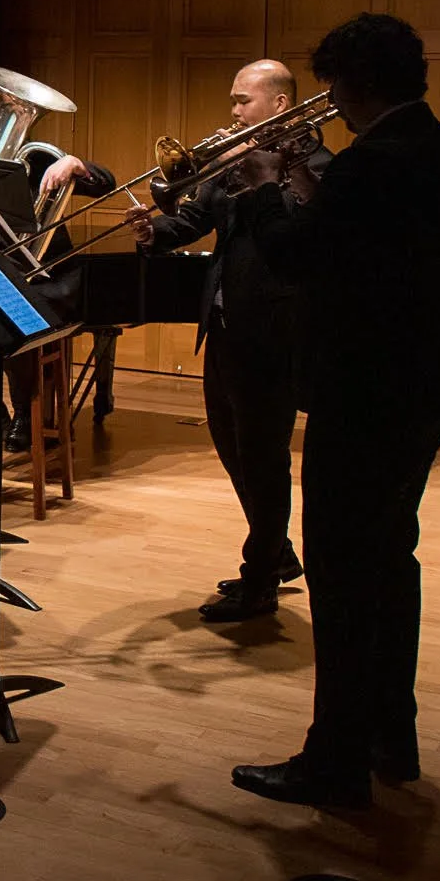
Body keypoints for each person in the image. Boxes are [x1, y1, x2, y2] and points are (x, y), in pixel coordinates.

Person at [226, 14, 440, 809]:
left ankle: (333, 760)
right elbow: (358, 238)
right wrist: (302, 178)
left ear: (358, 82)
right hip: (425, 381)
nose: (329, 99)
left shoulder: (374, 161)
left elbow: (298, 254)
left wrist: (262, 186)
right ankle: (389, 736)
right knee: (390, 560)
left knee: (338, 573)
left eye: (334, 84)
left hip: (366, 388)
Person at [126, 60, 328, 622]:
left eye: (243, 100)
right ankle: (275, 550)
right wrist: (152, 232)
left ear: (280, 104)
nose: (233, 111)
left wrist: (268, 180)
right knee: (232, 447)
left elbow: (304, 243)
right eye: (234, 101)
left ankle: (259, 580)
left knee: (263, 459)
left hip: (274, 334)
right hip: (222, 328)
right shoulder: (233, 161)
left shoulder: (315, 167)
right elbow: (192, 220)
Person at [0, 76, 114, 451]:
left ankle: (27, 415)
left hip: (45, 281)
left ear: (0, 117)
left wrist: (75, 164)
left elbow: (105, 183)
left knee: (14, 322)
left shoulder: (39, 159)